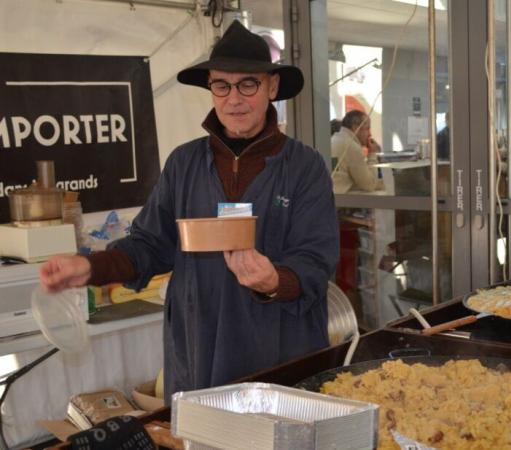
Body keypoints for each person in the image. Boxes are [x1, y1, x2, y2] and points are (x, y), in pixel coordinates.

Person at [38, 20, 339, 400]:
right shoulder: (184, 163)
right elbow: (150, 244)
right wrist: (91, 266)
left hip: (278, 344)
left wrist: (275, 281)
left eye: (248, 83)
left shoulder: (304, 166)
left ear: (272, 86)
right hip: (200, 345)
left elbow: (316, 259)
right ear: (211, 88)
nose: (234, 98)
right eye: (222, 85)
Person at [331, 110, 384, 193]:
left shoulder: (335, 139)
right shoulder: (351, 146)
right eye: (367, 128)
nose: (370, 134)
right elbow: (370, 184)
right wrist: (372, 154)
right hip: (343, 203)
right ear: (356, 128)